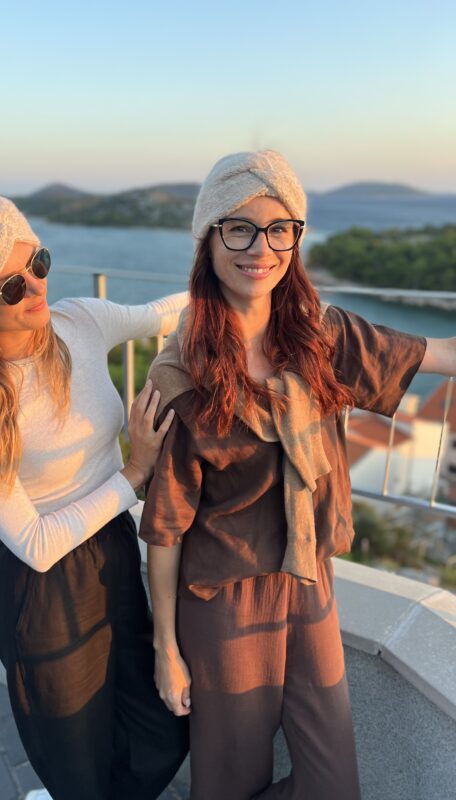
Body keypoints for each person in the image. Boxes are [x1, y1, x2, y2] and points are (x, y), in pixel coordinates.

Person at [138, 150, 456, 800]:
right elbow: (165, 530)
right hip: (222, 598)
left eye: (280, 228)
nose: (262, 248)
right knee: (230, 781)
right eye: (240, 228)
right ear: (208, 240)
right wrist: (165, 648)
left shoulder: (321, 338)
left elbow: (440, 352)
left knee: (333, 784)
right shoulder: (181, 377)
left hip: (310, 581)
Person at [0, 191, 189, 800]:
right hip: (42, 591)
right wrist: (135, 473)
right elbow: (34, 543)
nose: (36, 286)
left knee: (161, 734)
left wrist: (248, 282)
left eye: (37, 261)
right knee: (77, 767)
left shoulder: (78, 322)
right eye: (11, 286)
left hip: (114, 554)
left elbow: (162, 313)